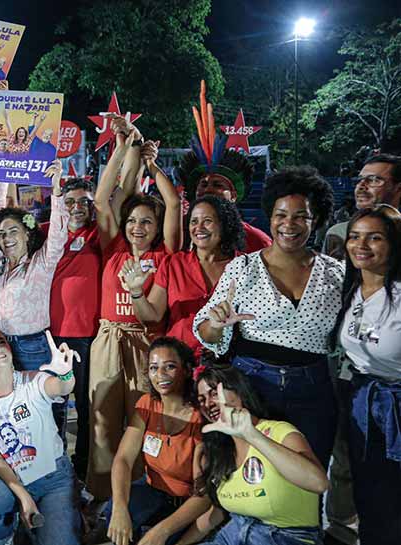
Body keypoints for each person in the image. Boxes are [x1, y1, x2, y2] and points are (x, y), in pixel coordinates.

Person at [194, 166, 341, 468]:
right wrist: (216, 324)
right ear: (270, 217)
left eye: (301, 216)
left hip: (314, 391)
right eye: (281, 215)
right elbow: (206, 331)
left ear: (317, 220)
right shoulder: (242, 268)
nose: (290, 224)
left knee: (308, 478)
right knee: (250, 474)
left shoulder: (336, 274)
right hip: (252, 386)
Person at [87, 119, 182, 500]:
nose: (137, 227)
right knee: (102, 424)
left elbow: (173, 202)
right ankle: (101, 497)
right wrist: (122, 146)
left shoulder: (166, 256)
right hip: (109, 339)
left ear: (158, 226)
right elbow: (102, 198)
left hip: (148, 345)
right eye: (131, 221)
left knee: (146, 421)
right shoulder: (114, 250)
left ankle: (143, 498)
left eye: (146, 221)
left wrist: (151, 165)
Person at [182, 366, 328, 545]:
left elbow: (319, 483)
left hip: (284, 537)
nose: (208, 403)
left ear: (239, 391)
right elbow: (216, 514)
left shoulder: (278, 431)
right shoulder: (221, 449)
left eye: (214, 393)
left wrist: (252, 435)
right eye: (201, 399)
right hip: (233, 533)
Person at [0, 328, 82, 545]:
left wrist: (65, 373)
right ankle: (7, 535)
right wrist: (24, 497)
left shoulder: (34, 380)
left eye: (1, 342)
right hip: (11, 480)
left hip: (54, 480)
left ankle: (59, 517)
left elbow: (61, 387)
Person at [96, 337, 208, 545]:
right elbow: (123, 459)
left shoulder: (200, 417)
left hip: (186, 505)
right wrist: (120, 508)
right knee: (115, 511)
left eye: (170, 367)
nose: (161, 375)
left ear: (185, 370)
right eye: (154, 368)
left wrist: (161, 531)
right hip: (152, 491)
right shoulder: (147, 404)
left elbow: (203, 496)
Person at [333, 205, 401, 545]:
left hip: (396, 403)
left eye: (375, 238)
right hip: (363, 402)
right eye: (355, 237)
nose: (362, 245)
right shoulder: (350, 290)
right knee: (371, 494)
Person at [0, 160, 69, 442]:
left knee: (43, 404)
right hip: (0, 347)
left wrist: (56, 189)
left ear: (26, 233)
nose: (6, 237)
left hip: (34, 345)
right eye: (2, 234)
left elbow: (59, 233)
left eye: (13, 231)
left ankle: (56, 462)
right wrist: (1, 174)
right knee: (9, 408)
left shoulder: (41, 264)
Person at [122, 196, 245, 360]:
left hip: (230, 362)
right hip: (180, 362)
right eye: (194, 221)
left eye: (207, 221)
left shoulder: (245, 266)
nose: (199, 228)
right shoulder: (172, 264)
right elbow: (151, 318)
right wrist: (136, 291)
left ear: (224, 225)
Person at [44, 178, 105, 477]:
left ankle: (82, 468)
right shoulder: (46, 234)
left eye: (85, 202)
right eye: (71, 202)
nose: (78, 208)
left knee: (84, 407)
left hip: (86, 335)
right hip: (50, 334)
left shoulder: (99, 233)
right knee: (53, 405)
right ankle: (54, 466)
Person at [175, 128, 271, 253]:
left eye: (217, 185)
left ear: (233, 196)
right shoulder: (178, 233)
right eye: (203, 184)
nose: (208, 189)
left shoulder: (257, 241)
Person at [323, 153, 401, 260]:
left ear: (398, 188)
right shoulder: (338, 233)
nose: (361, 186)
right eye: (359, 180)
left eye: (373, 180)